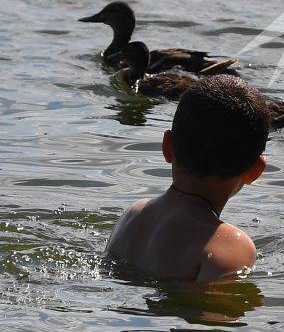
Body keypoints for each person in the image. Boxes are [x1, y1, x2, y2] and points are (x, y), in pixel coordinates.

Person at [105, 75, 267, 282]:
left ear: (167, 146)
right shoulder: (230, 246)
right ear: (256, 170)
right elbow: (213, 312)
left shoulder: (134, 214)